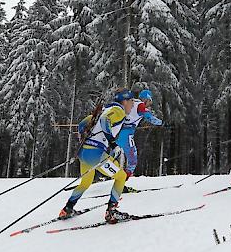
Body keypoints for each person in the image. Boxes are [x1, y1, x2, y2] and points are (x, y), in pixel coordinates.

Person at [59, 88, 135, 224]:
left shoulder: (105, 109)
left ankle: (67, 208)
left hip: (85, 153)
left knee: (86, 182)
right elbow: (105, 121)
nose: (132, 105)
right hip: (96, 154)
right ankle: (111, 212)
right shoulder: (119, 111)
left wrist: (83, 138)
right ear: (124, 101)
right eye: (131, 101)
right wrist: (112, 143)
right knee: (121, 176)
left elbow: (82, 124)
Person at [114, 89, 162, 191]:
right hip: (126, 134)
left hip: (117, 132)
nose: (149, 104)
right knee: (132, 161)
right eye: (149, 101)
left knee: (111, 156)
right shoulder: (140, 105)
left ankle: (100, 176)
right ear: (146, 99)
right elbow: (149, 117)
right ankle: (121, 184)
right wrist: (161, 122)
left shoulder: (131, 102)